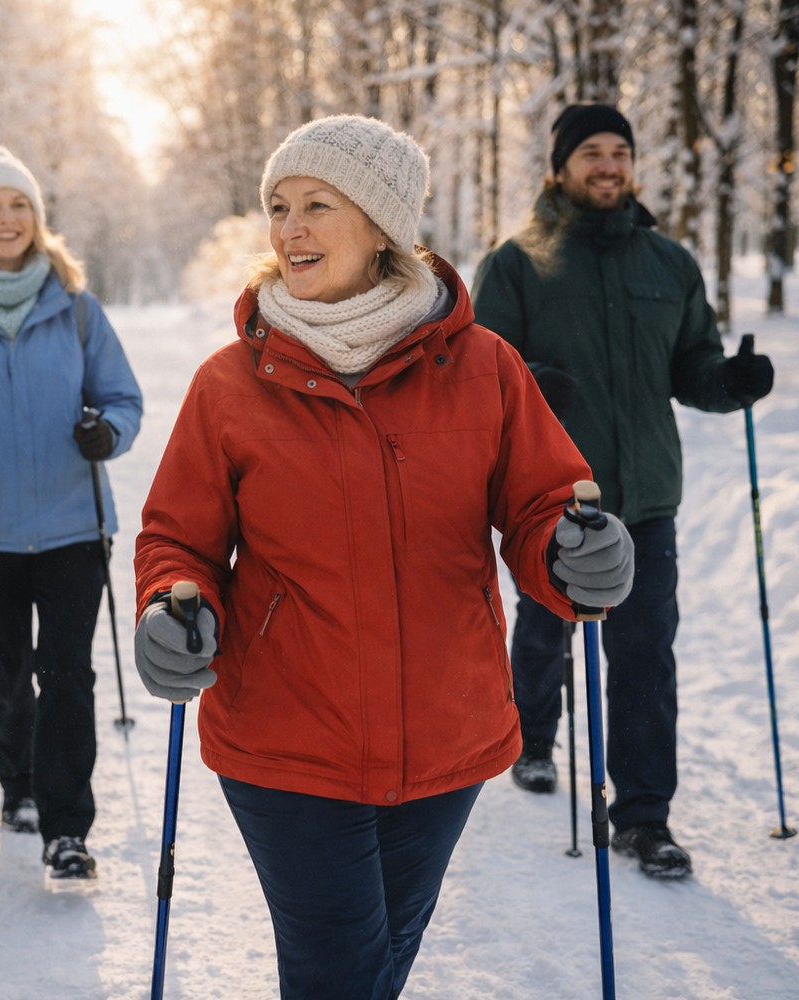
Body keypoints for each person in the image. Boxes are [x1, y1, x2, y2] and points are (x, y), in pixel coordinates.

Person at [131, 114, 636, 999]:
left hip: (446, 732)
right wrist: (172, 601)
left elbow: (541, 505)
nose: (289, 229)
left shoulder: (483, 367)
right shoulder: (230, 383)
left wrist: (572, 554)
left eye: (316, 205)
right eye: (278, 207)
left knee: (379, 964)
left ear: (382, 226)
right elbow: (178, 538)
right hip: (285, 739)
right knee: (338, 971)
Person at [471, 103, 775, 880]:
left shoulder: (669, 264)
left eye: (619, 152)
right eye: (591, 153)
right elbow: (482, 376)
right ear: (561, 166)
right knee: (545, 630)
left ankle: (643, 817)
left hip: (645, 500)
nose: (607, 165)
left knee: (644, 657)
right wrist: (534, 387)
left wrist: (728, 383)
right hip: (553, 496)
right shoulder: (516, 263)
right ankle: (534, 737)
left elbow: (693, 367)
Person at [0, 143, 143, 880]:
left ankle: (66, 824)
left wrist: (105, 432)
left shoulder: (76, 309)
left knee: (68, 674)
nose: (6, 218)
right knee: (5, 673)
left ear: (38, 220)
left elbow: (123, 398)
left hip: (75, 525)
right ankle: (20, 790)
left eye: (19, 205)